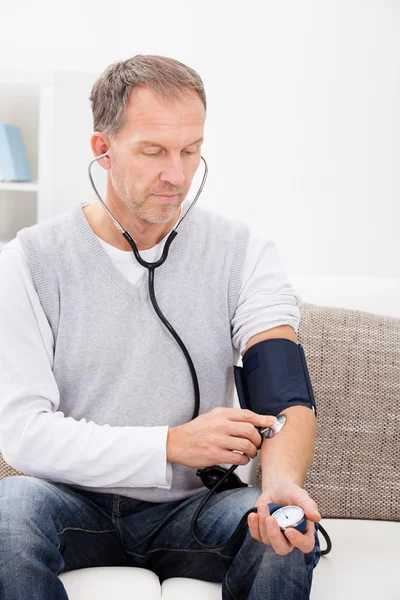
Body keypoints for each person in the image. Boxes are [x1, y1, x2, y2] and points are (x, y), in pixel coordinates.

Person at [0, 55, 321, 600]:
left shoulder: (242, 253)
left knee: (283, 531)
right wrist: (170, 444)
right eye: (153, 152)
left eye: (190, 151)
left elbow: (283, 391)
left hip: (196, 506)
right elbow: (24, 435)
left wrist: (282, 483)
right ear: (102, 149)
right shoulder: (27, 262)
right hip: (71, 500)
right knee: (9, 513)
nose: (176, 174)